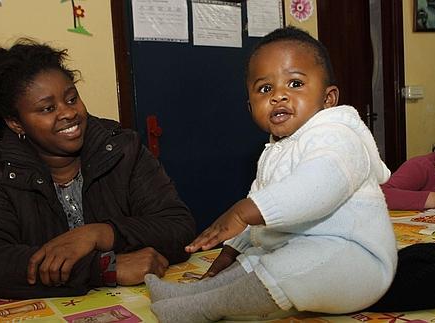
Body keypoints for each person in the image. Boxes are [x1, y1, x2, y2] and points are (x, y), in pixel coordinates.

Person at [144, 26, 398, 322]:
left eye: (295, 83)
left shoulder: (337, 135)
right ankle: (200, 293)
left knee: (284, 267)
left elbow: (316, 187)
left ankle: (206, 308)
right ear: (250, 106)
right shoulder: (276, 150)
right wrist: (227, 257)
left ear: (328, 98)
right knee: (256, 258)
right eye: (265, 89)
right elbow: (261, 219)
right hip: (310, 249)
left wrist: (242, 213)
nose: (279, 96)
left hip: (357, 262)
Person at [0, 39, 196, 299]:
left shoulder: (123, 149)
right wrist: (103, 269)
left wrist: (101, 233)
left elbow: (178, 228)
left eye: (71, 98)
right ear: (16, 123)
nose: (68, 113)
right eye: (48, 108)